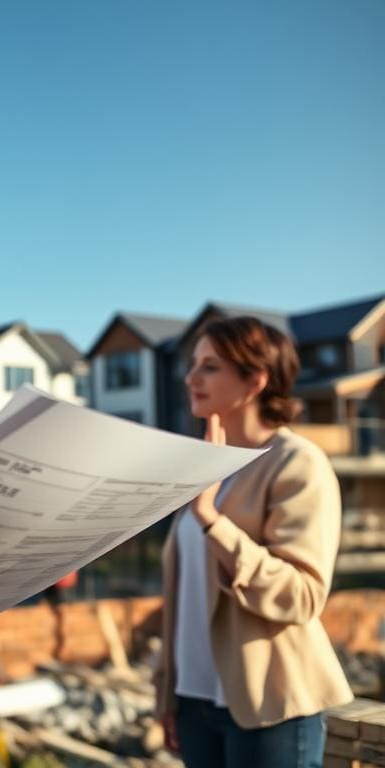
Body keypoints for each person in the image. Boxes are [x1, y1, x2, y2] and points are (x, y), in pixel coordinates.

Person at [154, 317, 353, 768]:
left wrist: (211, 519)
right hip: (194, 703)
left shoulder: (297, 463)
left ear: (255, 380)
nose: (191, 378)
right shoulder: (203, 465)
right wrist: (168, 693)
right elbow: (182, 595)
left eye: (210, 367)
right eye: (193, 365)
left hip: (271, 706)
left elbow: (302, 596)